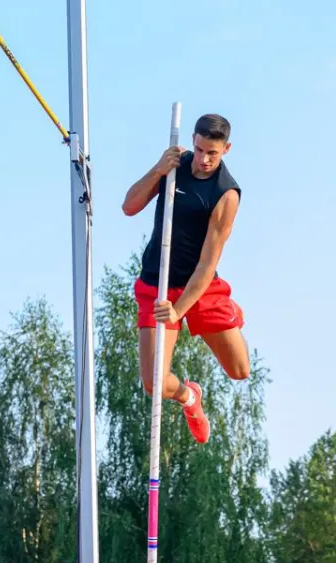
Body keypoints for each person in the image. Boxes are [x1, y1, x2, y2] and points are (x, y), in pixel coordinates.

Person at [122, 113, 250, 445]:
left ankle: (231, 312)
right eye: (201, 149)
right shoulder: (174, 166)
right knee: (153, 383)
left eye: (214, 153)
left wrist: (179, 310)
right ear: (193, 140)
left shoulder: (226, 194)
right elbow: (129, 206)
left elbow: (208, 264)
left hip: (200, 288)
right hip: (157, 284)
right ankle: (190, 397)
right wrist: (158, 170)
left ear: (227, 149)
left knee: (240, 371)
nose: (205, 160)